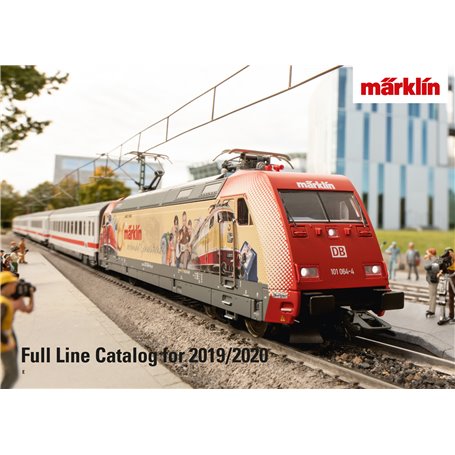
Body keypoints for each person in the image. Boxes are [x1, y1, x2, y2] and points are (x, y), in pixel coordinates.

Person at [1, 271, 35, 388]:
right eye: (13, 284)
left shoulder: (11, 299)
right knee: (12, 374)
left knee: (11, 372)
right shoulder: (3, 303)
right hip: (4, 341)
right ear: (6, 285)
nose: (15, 286)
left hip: (8, 334)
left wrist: (31, 296)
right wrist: (5, 340)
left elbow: (28, 309)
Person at [437, 248, 455, 325]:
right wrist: (441, 272)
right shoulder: (447, 260)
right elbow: (443, 267)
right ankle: (451, 316)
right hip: (450, 277)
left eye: (450, 253)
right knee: (451, 297)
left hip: (453, 276)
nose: (449, 256)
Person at [423, 248, 438, 317]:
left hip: (433, 279)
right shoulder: (432, 259)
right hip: (431, 279)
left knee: (433, 295)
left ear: (431, 253)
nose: (426, 254)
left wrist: (427, 259)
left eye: (427, 253)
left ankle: (432, 311)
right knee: (431, 295)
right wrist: (428, 258)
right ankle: (430, 309)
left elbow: (426, 267)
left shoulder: (434, 259)